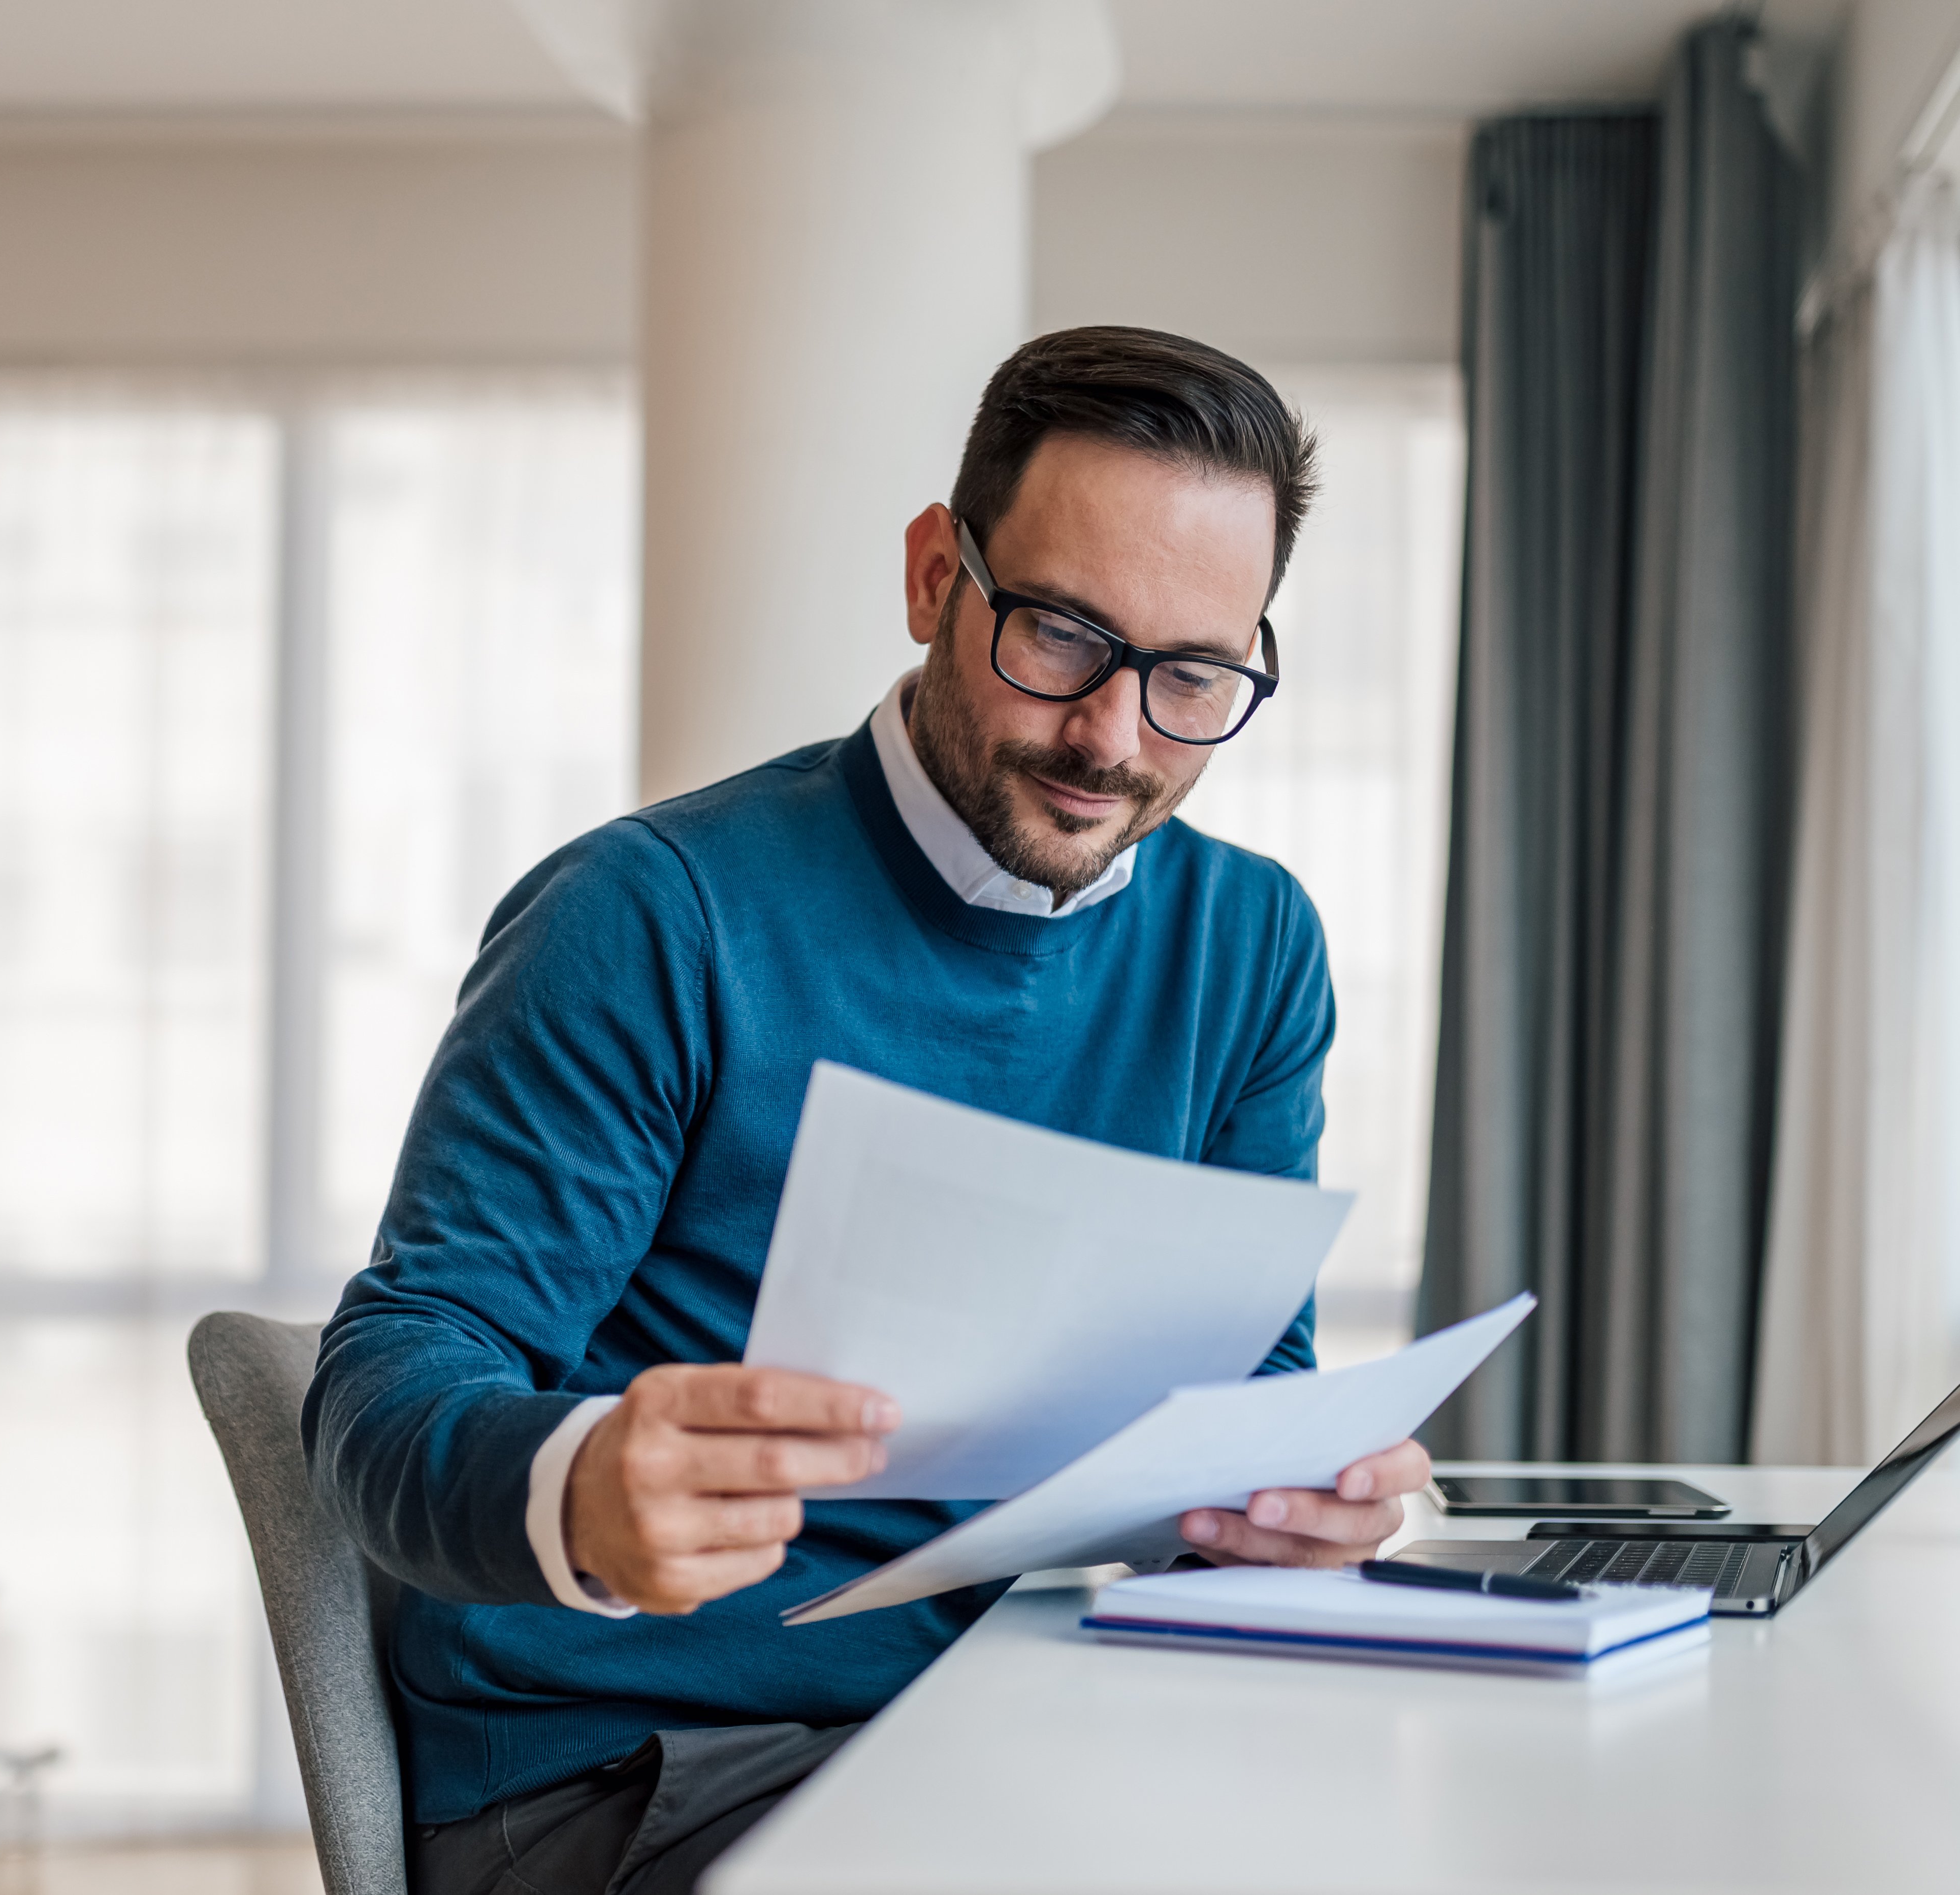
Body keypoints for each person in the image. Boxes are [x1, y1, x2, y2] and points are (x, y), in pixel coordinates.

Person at [300, 326, 1434, 1895]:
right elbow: (388, 1376)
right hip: (626, 1766)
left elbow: (1229, 1400)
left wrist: (1277, 1500)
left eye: (1192, 678)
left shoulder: (1251, 949)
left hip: (1020, 1731)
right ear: (932, 579)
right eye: (1058, 635)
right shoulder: (652, 916)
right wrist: (580, 1489)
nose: (1113, 738)